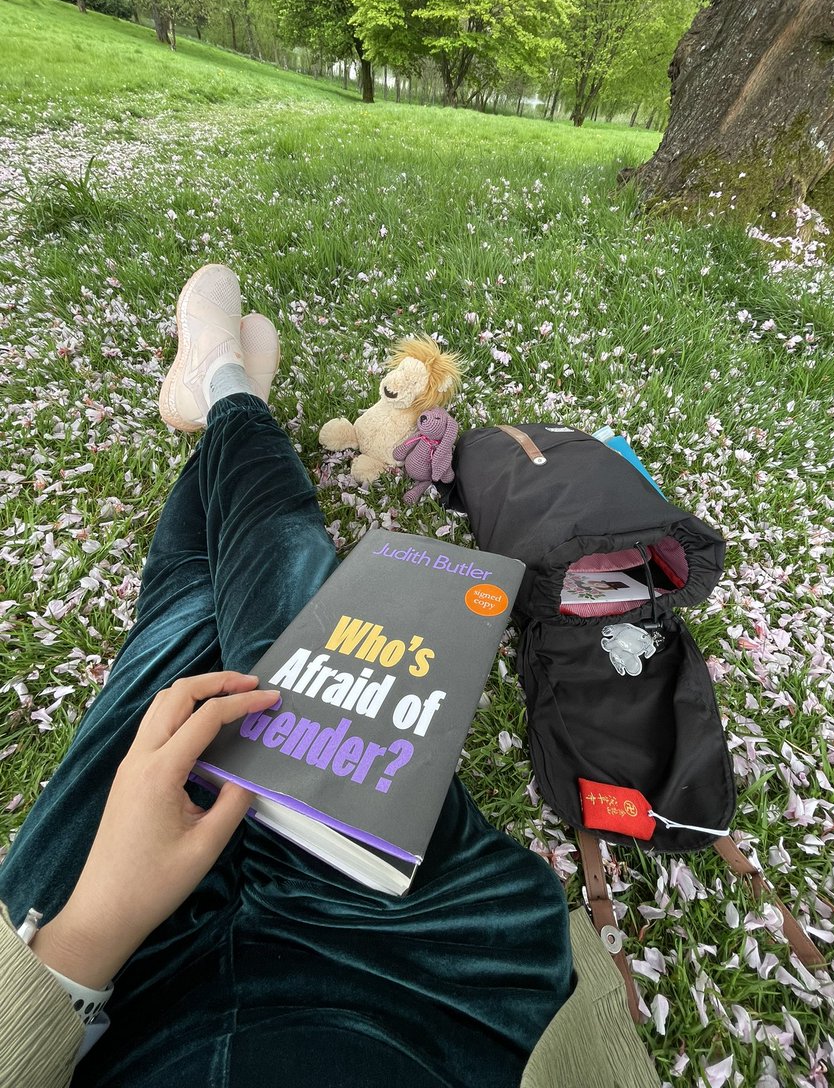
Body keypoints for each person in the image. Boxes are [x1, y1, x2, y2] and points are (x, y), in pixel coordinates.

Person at [0, 265, 659, 1088]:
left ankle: (227, 395)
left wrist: (85, 937)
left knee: (184, 631)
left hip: (94, 966)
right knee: (279, 624)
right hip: (431, 972)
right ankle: (228, 394)